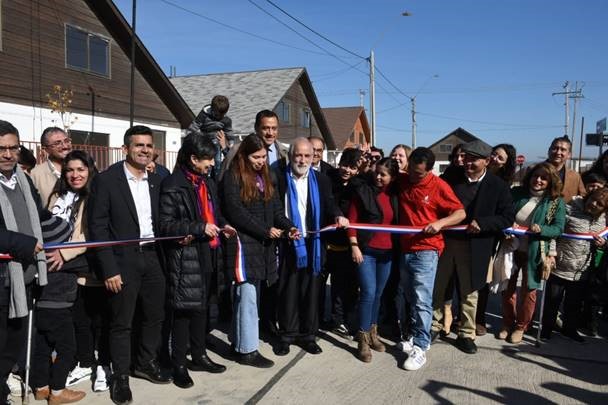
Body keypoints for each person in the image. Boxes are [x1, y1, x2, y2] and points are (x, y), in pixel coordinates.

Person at [88, 126, 172, 405]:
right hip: (123, 260)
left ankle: (144, 363)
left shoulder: (159, 177)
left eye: (149, 145)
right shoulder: (107, 180)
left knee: (154, 316)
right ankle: (120, 376)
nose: (145, 150)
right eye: (139, 145)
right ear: (126, 149)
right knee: (121, 322)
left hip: (154, 257)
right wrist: (109, 269)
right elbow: (97, 228)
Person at [159, 135, 232, 389]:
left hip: (210, 252)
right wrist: (200, 227)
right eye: (208, 159)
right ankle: (179, 363)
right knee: (183, 313)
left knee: (202, 308)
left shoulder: (207, 182)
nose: (212, 163)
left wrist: (223, 225)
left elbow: (216, 213)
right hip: (186, 256)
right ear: (193, 158)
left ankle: (199, 355)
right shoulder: (173, 184)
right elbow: (165, 225)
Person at [430, 141, 514, 355]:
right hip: (446, 242)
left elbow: (507, 217)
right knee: (439, 286)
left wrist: (483, 223)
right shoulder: (450, 177)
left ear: (486, 161)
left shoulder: (498, 186)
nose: (467, 162)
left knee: (470, 291)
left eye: (473, 159)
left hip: (476, 246)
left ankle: (466, 333)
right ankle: (435, 325)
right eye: (466, 157)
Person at [221, 134, 297, 368]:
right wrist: (266, 230)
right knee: (247, 298)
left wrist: (287, 226)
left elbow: (275, 208)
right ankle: (247, 350)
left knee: (250, 297)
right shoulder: (233, 177)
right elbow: (236, 213)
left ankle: (239, 341)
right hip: (244, 246)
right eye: (256, 156)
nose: (261, 161)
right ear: (244, 155)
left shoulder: (266, 176)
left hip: (262, 246)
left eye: (264, 156)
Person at [272, 138, 346, 356]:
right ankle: (287, 335)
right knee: (288, 292)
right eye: (298, 155)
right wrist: (288, 227)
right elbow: (275, 208)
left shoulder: (322, 180)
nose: (302, 160)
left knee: (311, 292)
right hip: (288, 243)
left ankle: (308, 336)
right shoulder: (278, 177)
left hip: (314, 246)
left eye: (307, 155)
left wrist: (338, 215)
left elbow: (330, 204)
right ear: (290, 155)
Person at [32, 151, 95, 404]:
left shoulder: (91, 198)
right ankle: (53, 390)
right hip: (48, 271)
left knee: (53, 335)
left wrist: (64, 253)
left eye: (80, 169)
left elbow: (87, 236)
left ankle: (42, 386)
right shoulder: (56, 195)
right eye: (70, 170)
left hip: (69, 265)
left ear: (90, 170)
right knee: (57, 340)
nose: (75, 175)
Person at [397, 147, 465, 371]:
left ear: (429, 170)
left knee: (422, 299)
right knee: (408, 296)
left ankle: (421, 346)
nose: (414, 177)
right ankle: (412, 335)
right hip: (405, 247)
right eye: (411, 171)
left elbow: (460, 213)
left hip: (427, 249)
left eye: (419, 174)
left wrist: (439, 224)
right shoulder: (404, 180)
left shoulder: (438, 186)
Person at [0, 120, 46, 405]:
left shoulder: (23, 178)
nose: (7, 154)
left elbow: (38, 216)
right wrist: (25, 244)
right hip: (3, 281)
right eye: (1, 148)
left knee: (13, 346)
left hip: (26, 278)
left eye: (12, 148)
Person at [499, 162, 566, 344]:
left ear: (551, 181)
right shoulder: (516, 193)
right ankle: (507, 323)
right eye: (536, 176)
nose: (538, 180)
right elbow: (503, 214)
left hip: (536, 251)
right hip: (511, 248)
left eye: (544, 178)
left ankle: (521, 326)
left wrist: (542, 229)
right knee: (507, 289)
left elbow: (559, 228)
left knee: (529, 292)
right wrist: (508, 224)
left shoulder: (556, 201)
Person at [348, 158, 399, 362]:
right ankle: (362, 337)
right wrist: (354, 245)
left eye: (383, 174)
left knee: (378, 294)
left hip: (387, 253)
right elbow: (351, 221)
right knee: (368, 292)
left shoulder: (395, 195)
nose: (378, 177)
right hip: (366, 251)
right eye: (376, 172)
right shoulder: (362, 191)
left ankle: (372, 333)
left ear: (392, 177)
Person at [541, 188, 608, 342]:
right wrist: (551, 253)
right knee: (553, 300)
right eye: (593, 199)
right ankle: (547, 328)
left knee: (574, 303)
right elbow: (554, 232)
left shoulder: (603, 220)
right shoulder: (570, 209)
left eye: (599, 204)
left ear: (604, 208)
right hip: (560, 265)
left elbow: (604, 241)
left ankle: (569, 329)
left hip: (581, 270)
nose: (593, 204)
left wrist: (603, 244)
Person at [474, 143, 517, 336]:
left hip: (489, 236)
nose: (494, 159)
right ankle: (462, 316)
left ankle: (479, 317)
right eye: (493, 154)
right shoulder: (473, 173)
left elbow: (505, 214)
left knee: (483, 278)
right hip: (467, 233)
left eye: (500, 158)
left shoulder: (503, 185)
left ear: (506, 164)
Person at [326, 148, 363, 336]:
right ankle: (337, 320)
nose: (347, 170)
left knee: (352, 286)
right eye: (344, 165)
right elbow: (329, 203)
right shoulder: (329, 179)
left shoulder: (359, 185)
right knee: (338, 285)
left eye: (352, 167)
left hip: (353, 242)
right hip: (331, 242)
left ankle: (351, 319)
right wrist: (338, 215)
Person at [221, 110, 288, 179]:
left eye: (274, 128)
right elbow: (222, 180)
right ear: (256, 128)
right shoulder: (237, 150)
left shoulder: (285, 153)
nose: (270, 133)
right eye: (265, 128)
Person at [188, 95, 233, 178]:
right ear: (212, 109)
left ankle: (217, 172)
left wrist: (231, 142)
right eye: (216, 114)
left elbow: (228, 131)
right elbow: (195, 124)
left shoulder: (226, 120)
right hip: (204, 137)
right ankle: (206, 173)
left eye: (221, 115)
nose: (218, 117)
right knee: (206, 157)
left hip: (216, 139)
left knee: (217, 159)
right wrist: (195, 133)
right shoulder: (204, 115)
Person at [31, 127, 72, 207]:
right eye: (57, 143)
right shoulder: (35, 175)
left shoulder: (82, 169)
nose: (64, 146)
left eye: (66, 141)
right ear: (45, 149)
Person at [544, 136, 585, 202]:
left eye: (563, 150)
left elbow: (583, 197)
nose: (558, 152)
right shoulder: (532, 170)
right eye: (555, 148)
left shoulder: (575, 177)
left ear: (569, 154)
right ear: (549, 150)